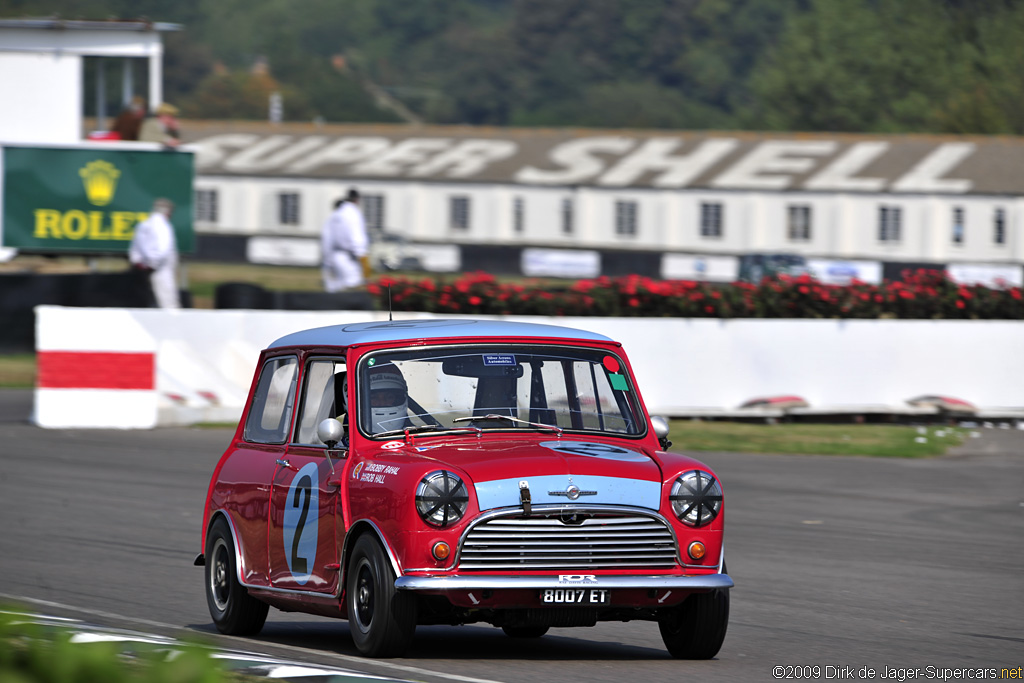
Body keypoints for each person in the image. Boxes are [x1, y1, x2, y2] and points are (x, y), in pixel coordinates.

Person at [129, 198, 180, 309]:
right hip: (160, 270)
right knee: (167, 303)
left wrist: (140, 264)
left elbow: (134, 250)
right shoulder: (163, 226)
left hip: (142, 270)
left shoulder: (143, 224)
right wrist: (152, 265)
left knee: (150, 303)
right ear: (167, 212)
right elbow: (163, 249)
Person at [320, 188, 370, 292]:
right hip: (349, 258)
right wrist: (363, 259)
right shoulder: (353, 213)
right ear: (357, 199)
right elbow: (357, 237)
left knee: (334, 291)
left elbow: (326, 239)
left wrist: (327, 260)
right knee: (353, 289)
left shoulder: (334, 215)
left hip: (334, 255)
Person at [367, 364, 408, 433]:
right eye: (373, 397)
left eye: (389, 397)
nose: (382, 402)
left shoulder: (417, 435)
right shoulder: (343, 441)